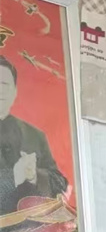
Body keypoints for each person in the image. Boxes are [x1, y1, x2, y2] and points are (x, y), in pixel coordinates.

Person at [0, 55, 68, 216]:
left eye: (4, 84)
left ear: (15, 91)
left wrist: (34, 175)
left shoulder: (35, 135)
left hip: (30, 227)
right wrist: (15, 176)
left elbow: (60, 184)